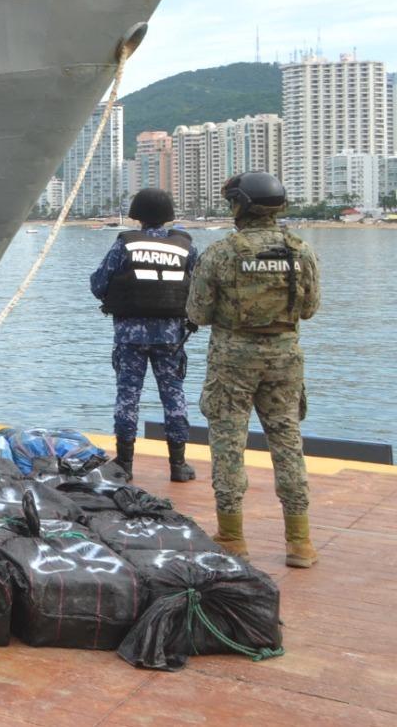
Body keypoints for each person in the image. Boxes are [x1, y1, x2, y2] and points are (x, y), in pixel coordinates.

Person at [186, 171, 321, 568]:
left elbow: (197, 312)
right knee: (287, 441)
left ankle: (231, 535)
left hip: (232, 359)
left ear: (239, 206)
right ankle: (300, 542)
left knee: (228, 443)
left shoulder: (222, 253)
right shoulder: (301, 251)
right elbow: (310, 309)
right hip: (284, 358)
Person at [90, 188, 199, 483]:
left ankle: (124, 464)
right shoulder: (185, 246)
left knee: (128, 397)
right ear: (168, 216)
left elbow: (99, 284)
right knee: (174, 396)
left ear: (137, 214)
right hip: (171, 336)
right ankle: (178, 465)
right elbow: (199, 289)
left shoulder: (125, 244)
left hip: (130, 336)